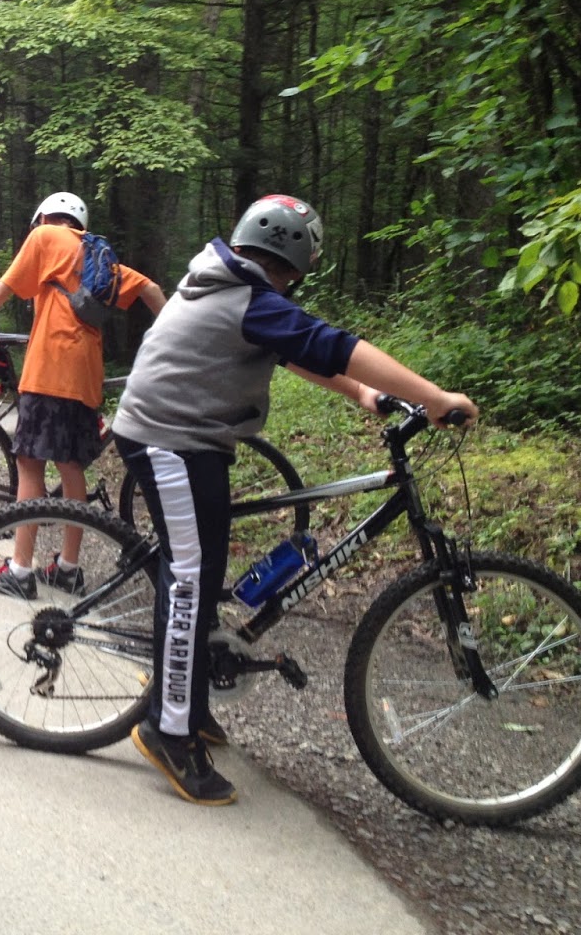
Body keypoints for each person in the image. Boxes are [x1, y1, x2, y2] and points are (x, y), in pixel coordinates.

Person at [111, 193, 478, 806]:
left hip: (190, 439)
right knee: (189, 579)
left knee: (200, 575)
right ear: (297, 258)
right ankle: (167, 728)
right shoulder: (248, 296)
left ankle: (188, 701)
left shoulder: (232, 284)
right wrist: (434, 396)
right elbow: (329, 342)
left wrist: (364, 395)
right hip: (168, 442)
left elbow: (296, 348)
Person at [0, 191, 167, 595]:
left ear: (45, 217)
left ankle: (20, 570)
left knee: (30, 464)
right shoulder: (98, 254)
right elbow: (151, 289)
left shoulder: (46, 237)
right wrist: (174, 338)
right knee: (70, 467)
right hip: (85, 375)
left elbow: (2, 291)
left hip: (49, 368)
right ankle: (67, 568)